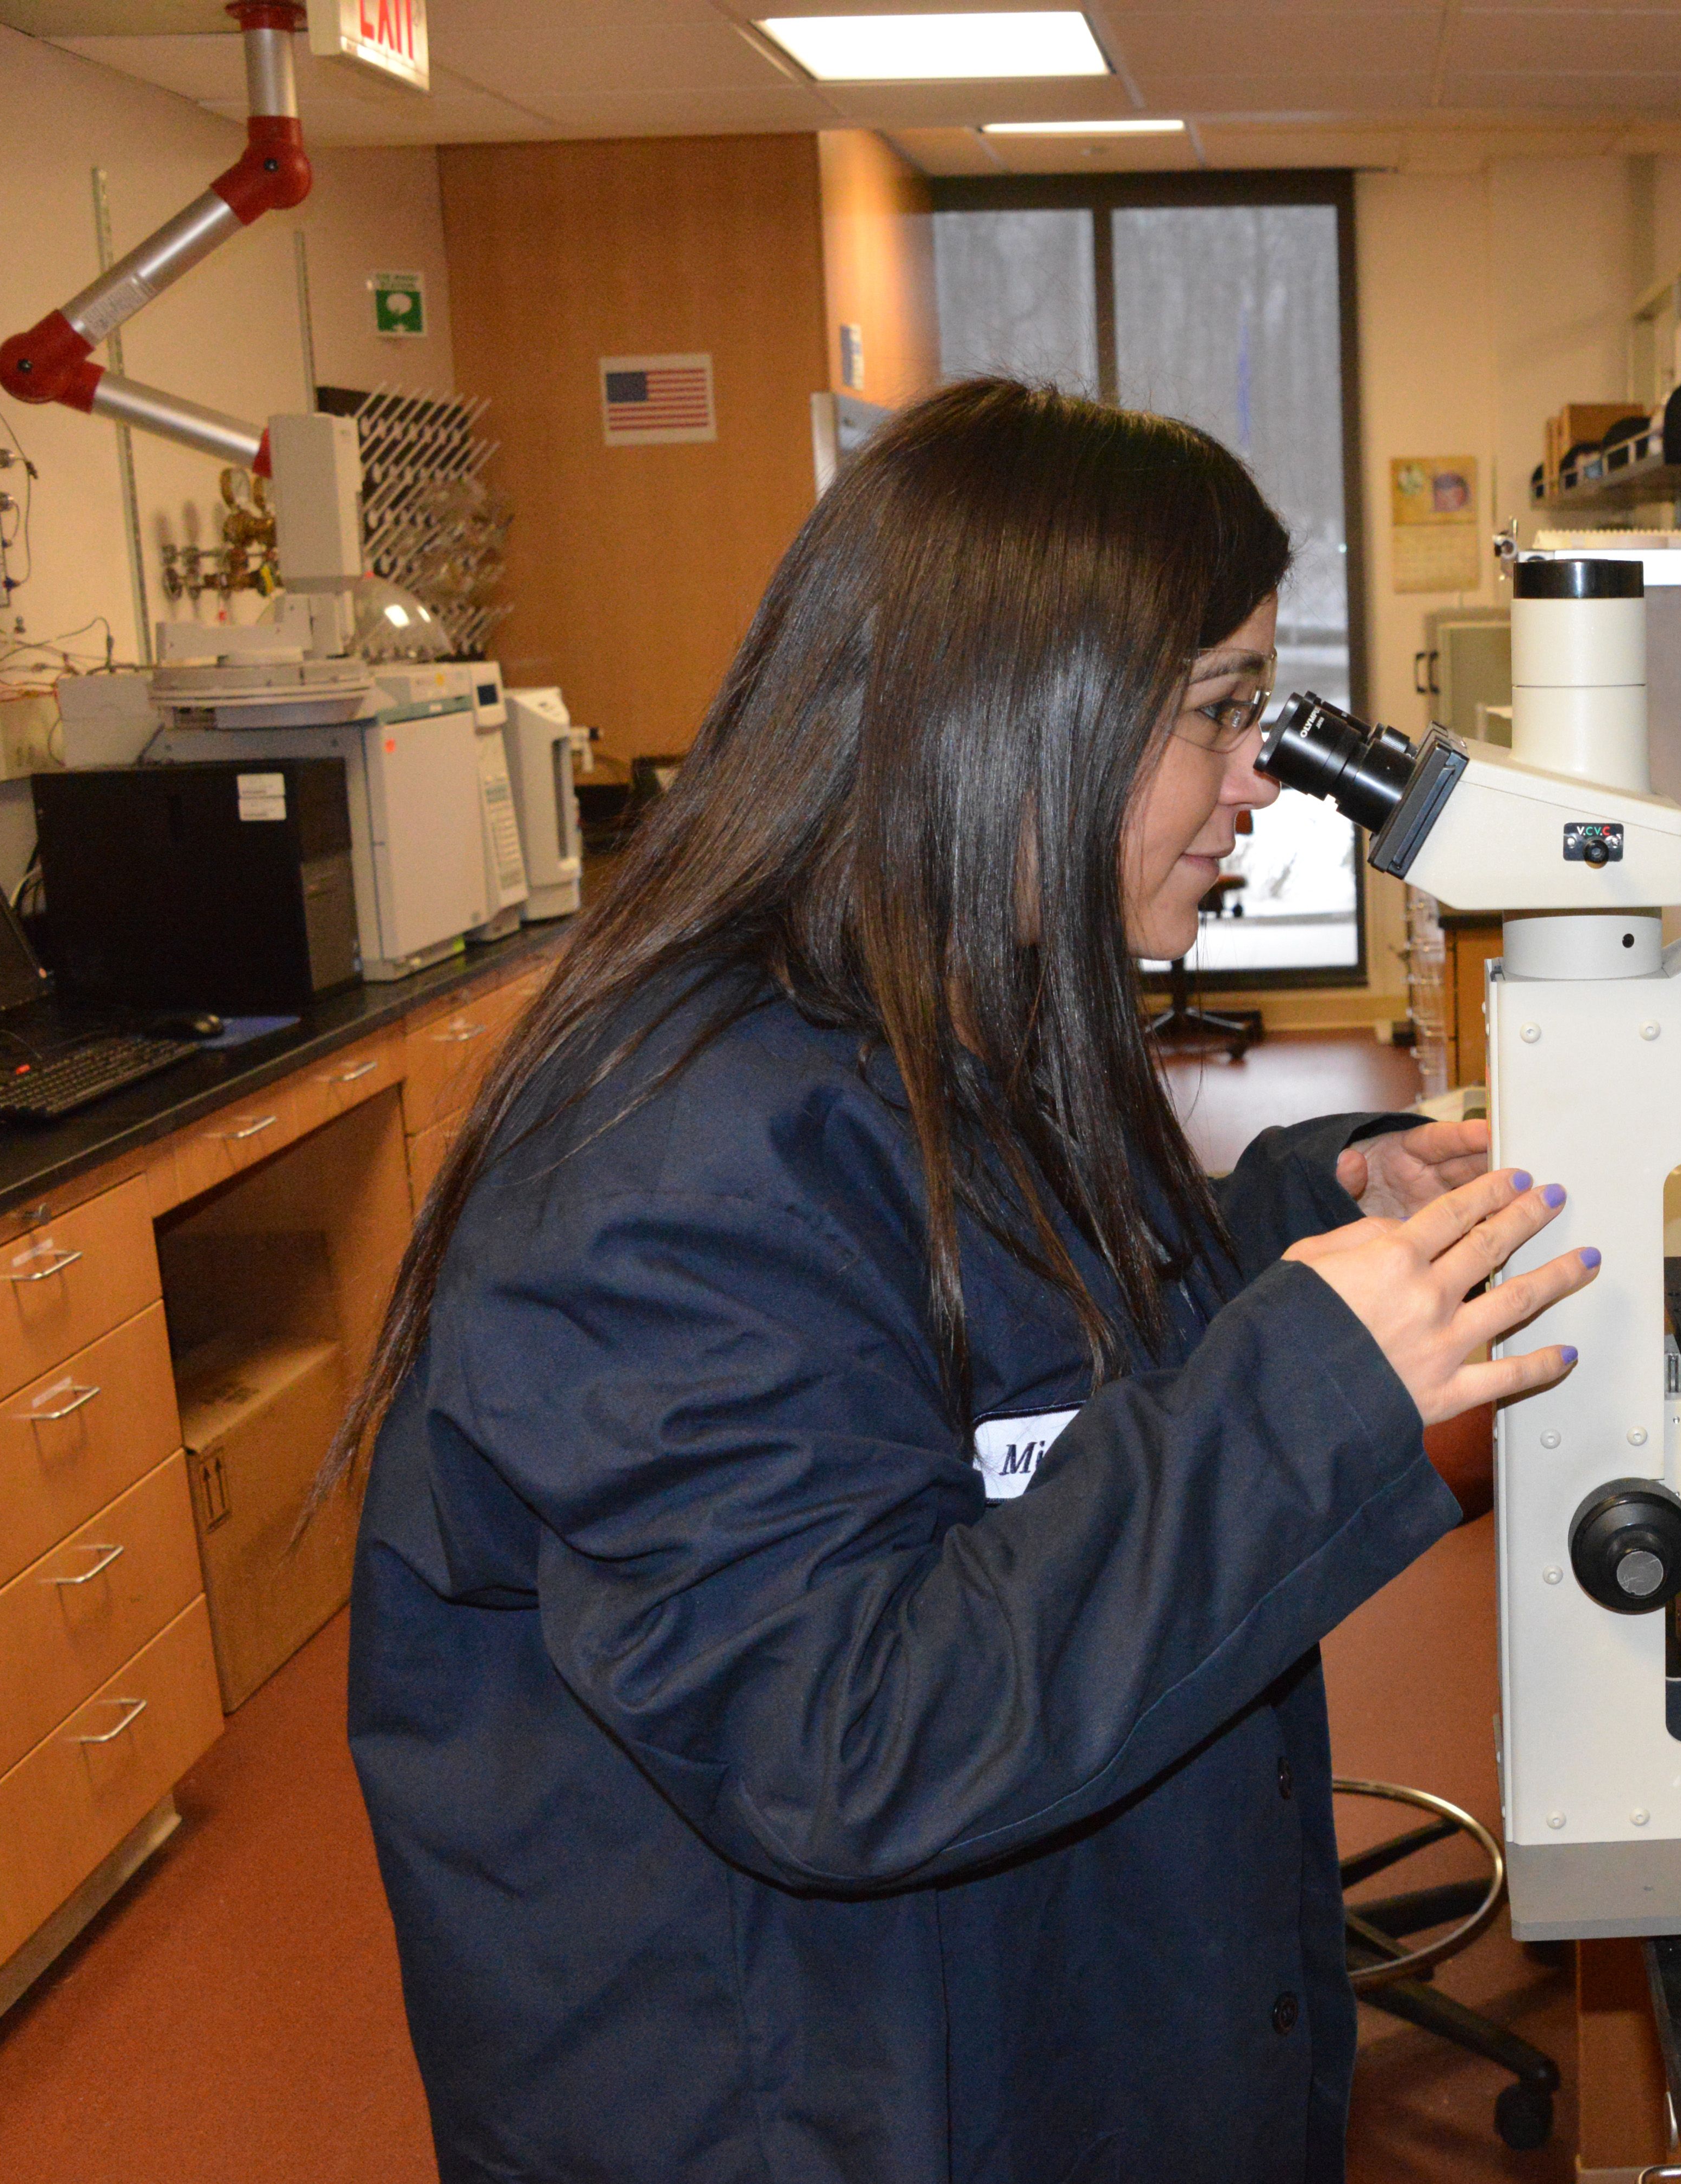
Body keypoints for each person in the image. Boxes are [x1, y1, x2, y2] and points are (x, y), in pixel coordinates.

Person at [332, 379, 1597, 2183]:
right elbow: (846, 1736)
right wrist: (1315, 1380)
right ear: (1022, 719)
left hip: (1021, 2016)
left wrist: (1311, 1217)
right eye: (1224, 712)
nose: (1262, 782)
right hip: (815, 2097)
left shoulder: (943, 1019)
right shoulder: (672, 1165)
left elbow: (1004, 1380)